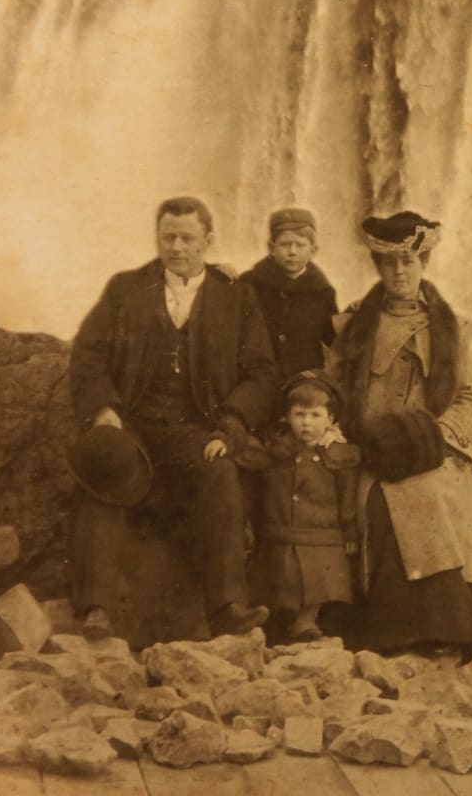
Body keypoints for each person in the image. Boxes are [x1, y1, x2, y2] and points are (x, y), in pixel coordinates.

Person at [68, 195, 280, 640]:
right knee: (105, 470)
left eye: (187, 237)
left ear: (209, 240)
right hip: (135, 425)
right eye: (168, 237)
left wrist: (232, 423)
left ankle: (226, 608)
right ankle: (95, 609)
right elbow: (88, 355)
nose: (177, 247)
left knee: (220, 473)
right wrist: (105, 411)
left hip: (195, 429)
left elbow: (261, 372)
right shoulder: (126, 289)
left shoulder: (236, 297)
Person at [326, 210, 472, 657]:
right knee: (384, 503)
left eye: (408, 262)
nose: (399, 272)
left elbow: (468, 397)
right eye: (389, 264)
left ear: (423, 264)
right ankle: (397, 632)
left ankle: (452, 628)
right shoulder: (353, 327)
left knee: (434, 495)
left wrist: (435, 438)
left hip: (432, 450)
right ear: (379, 268)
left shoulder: (451, 329)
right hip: (373, 451)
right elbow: (333, 392)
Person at [248, 370, 360, 642]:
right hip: (282, 531)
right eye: (299, 415)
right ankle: (278, 621)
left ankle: (306, 620)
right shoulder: (277, 449)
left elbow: (348, 496)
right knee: (281, 575)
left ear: (331, 419)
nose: (306, 424)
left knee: (317, 579)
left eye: (315, 416)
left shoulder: (340, 455)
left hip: (323, 537)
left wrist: (350, 530)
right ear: (287, 416)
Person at [240, 208, 338, 379]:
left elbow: (333, 339)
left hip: (303, 378)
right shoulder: (250, 283)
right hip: (257, 377)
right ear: (271, 248)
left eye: (300, 245)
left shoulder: (322, 291)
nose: (292, 251)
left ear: (313, 251)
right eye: (284, 244)